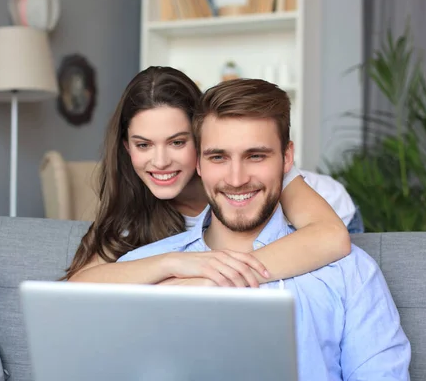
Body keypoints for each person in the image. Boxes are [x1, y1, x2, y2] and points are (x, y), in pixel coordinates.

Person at [117, 78, 411, 379]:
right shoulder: (141, 274)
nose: (236, 178)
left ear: (286, 158)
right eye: (218, 157)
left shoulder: (351, 273)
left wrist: (215, 282)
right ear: (199, 164)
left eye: (255, 156)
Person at [64, 66, 351, 287]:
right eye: (143, 145)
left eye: (177, 142)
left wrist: (210, 281)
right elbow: (79, 286)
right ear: (127, 147)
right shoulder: (136, 211)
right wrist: (172, 263)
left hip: (340, 212)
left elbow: (331, 237)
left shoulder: (254, 178)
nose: (160, 162)